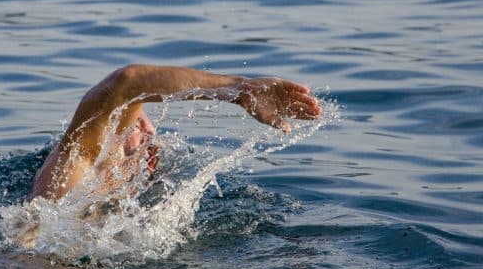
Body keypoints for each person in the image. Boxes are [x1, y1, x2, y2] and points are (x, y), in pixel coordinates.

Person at [29, 64, 322, 200]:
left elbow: (127, 84)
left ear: (147, 159)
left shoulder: (76, 178)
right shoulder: (77, 171)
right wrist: (239, 89)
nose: (141, 124)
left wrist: (242, 89)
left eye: (133, 122)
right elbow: (129, 83)